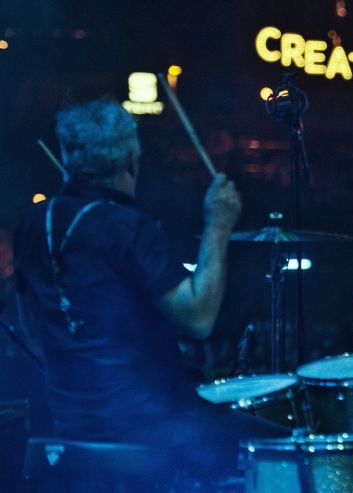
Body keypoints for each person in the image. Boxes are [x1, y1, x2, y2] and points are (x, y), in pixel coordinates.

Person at [12, 99, 288, 485]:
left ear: (67, 155)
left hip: (68, 422)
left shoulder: (32, 225)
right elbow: (199, 318)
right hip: (151, 425)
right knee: (285, 447)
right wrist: (218, 224)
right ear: (132, 158)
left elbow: (31, 329)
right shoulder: (128, 228)